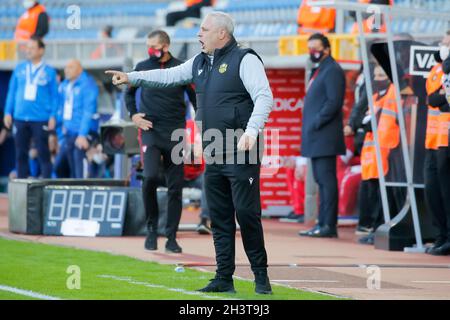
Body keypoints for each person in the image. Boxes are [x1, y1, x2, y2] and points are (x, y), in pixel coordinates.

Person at [107, 11, 274, 294]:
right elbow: (168, 75)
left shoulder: (245, 59)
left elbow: (264, 96)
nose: (199, 34)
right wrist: (132, 77)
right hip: (214, 150)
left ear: (222, 33)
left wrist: (251, 131)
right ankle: (224, 277)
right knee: (219, 217)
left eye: (204, 29)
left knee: (246, 214)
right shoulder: (199, 62)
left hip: (241, 149)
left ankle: (260, 277)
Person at [125, 30, 197, 254]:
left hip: (176, 131)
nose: (150, 50)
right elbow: (129, 94)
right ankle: (151, 229)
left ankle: (171, 237)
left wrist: (203, 124)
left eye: (154, 46)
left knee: (176, 187)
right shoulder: (142, 66)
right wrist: (134, 115)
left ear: (166, 46)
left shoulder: (182, 67)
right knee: (149, 177)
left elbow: (195, 98)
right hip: (151, 129)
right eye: (148, 45)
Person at [298, 33, 346, 238]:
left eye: (316, 48)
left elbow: (333, 102)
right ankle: (322, 223)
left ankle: (328, 225)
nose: (312, 52)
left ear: (327, 48)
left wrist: (317, 121)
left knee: (326, 181)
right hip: (317, 136)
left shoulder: (332, 69)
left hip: (324, 135)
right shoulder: (320, 69)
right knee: (320, 180)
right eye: (309, 48)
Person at [4, 36, 58, 179]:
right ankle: (22, 184)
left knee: (43, 152)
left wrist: (53, 115)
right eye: (27, 48)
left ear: (41, 50)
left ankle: (46, 184)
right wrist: (7, 112)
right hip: (20, 117)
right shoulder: (20, 68)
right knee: (20, 153)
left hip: (40, 118)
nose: (28, 51)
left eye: (32, 48)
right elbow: (12, 91)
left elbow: (55, 97)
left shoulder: (49, 71)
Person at [425, 32, 450, 256]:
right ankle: (441, 236)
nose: (443, 43)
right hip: (432, 138)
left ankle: (447, 238)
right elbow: (433, 99)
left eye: (446, 40)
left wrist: (439, 97)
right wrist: (439, 97)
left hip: (445, 136)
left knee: (445, 190)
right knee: (432, 191)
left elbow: (442, 101)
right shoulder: (436, 68)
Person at [57, 59, 99, 179]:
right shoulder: (64, 85)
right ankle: (68, 188)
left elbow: (88, 111)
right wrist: (59, 135)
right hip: (67, 133)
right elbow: (60, 110)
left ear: (79, 69)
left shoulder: (88, 84)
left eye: (70, 67)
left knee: (78, 153)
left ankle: (81, 186)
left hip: (85, 132)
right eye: (66, 67)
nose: (67, 70)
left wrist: (82, 134)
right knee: (59, 166)